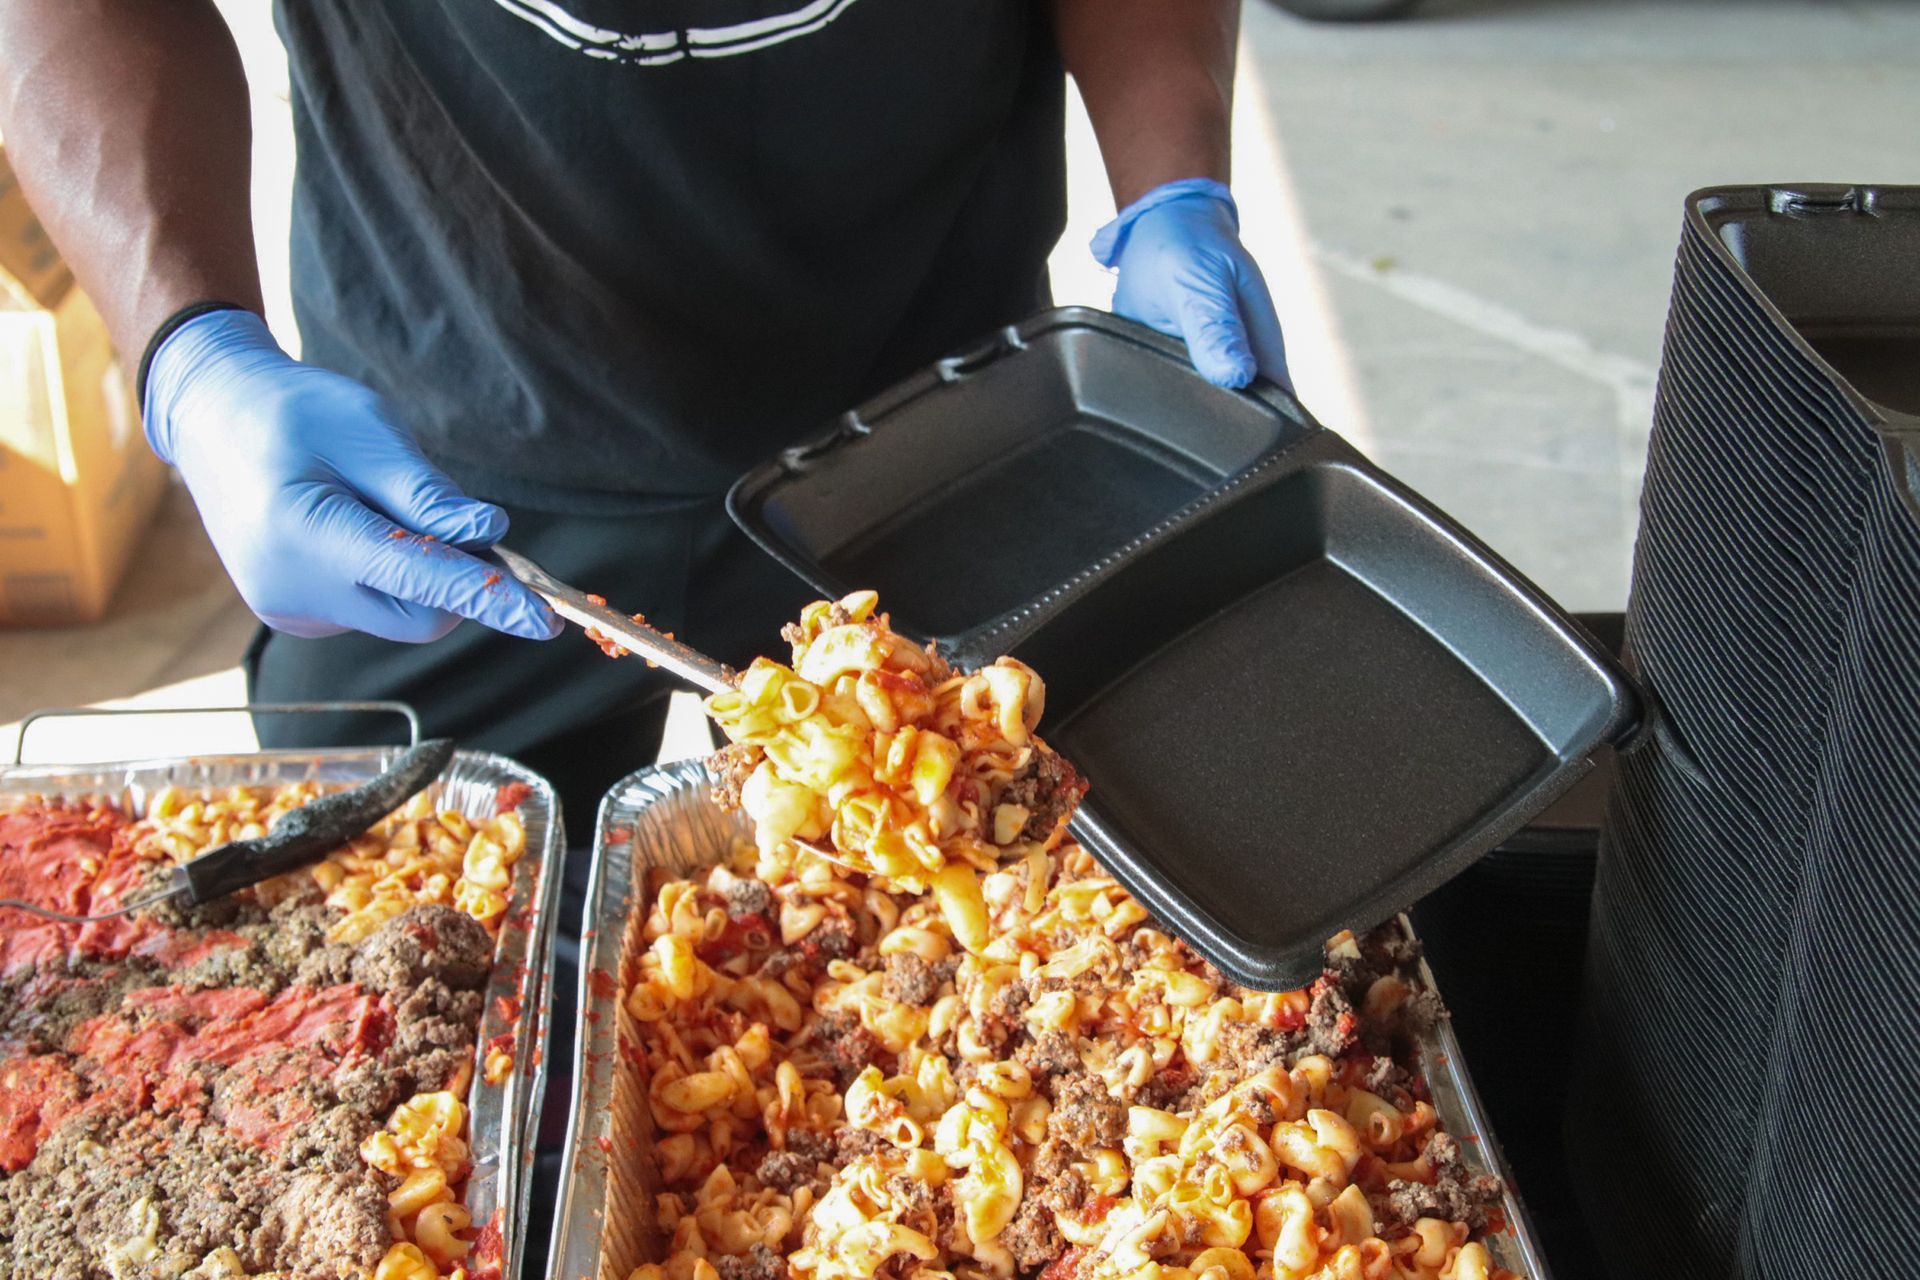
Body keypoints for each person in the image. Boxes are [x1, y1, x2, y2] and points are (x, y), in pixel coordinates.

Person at [0, 0, 1288, 849]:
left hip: (938, 425)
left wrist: (1172, 181)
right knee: (370, 951)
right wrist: (192, 354)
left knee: (1004, 935)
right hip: (429, 446)